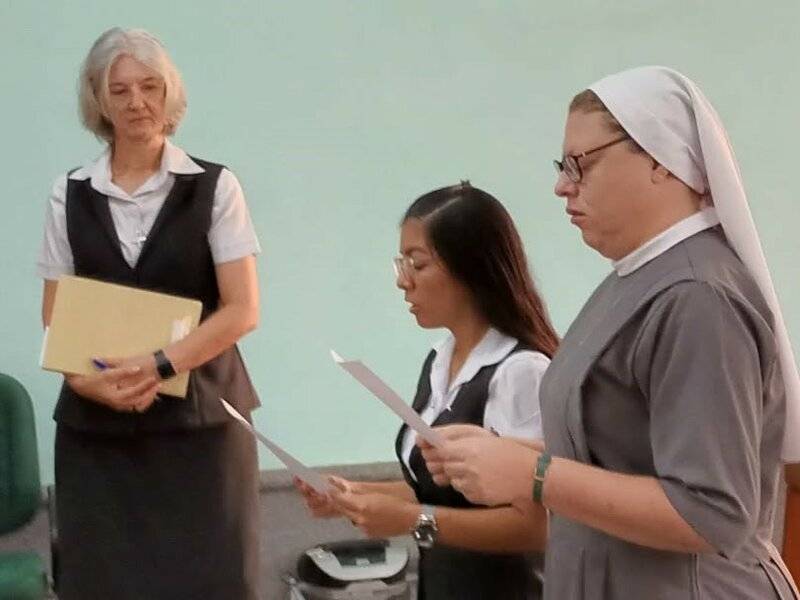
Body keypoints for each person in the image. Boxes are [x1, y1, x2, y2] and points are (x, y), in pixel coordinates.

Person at [424, 66, 800, 599]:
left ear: (659, 160)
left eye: (580, 164)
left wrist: (534, 473)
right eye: (562, 167)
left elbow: (711, 511)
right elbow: (623, 449)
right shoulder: (638, 279)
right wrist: (498, 455)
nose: (562, 186)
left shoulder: (697, 297)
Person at [38, 27, 261, 599]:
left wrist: (159, 365)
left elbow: (242, 310)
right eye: (120, 90)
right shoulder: (69, 193)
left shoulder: (216, 186)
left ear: (169, 93)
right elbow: (56, 317)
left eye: (150, 86)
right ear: (99, 101)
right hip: (99, 435)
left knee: (211, 583)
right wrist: (86, 382)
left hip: (203, 428)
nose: (137, 102)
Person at [296, 182, 559, 599]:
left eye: (417, 265)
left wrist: (412, 520)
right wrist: (354, 494)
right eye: (401, 264)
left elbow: (535, 525)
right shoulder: (440, 360)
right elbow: (445, 494)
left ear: (469, 268)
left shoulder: (521, 371)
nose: (404, 282)